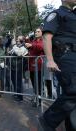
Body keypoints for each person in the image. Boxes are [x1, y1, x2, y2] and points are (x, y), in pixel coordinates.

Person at [38, 0, 76, 131]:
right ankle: (48, 120)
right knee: (74, 90)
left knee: (71, 94)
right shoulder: (57, 13)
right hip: (65, 55)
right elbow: (46, 37)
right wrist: (50, 59)